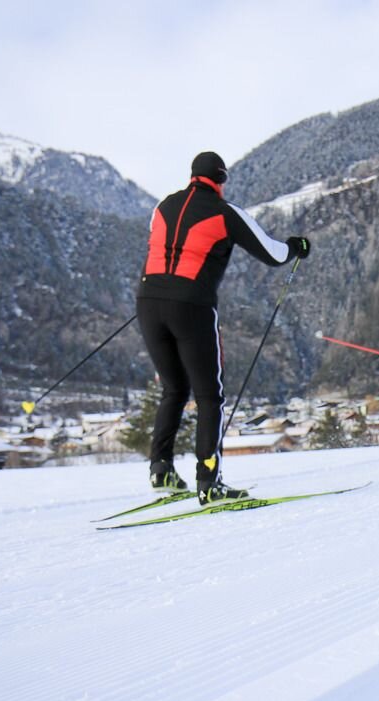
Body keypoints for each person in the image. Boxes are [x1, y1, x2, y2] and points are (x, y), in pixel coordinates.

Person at [136, 151, 310, 505]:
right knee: (209, 396)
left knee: (173, 389)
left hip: (148, 303)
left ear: (192, 176)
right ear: (221, 180)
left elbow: (168, 247)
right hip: (192, 307)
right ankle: (208, 482)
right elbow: (274, 254)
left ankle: (161, 469)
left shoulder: (162, 206)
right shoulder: (224, 212)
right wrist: (297, 246)